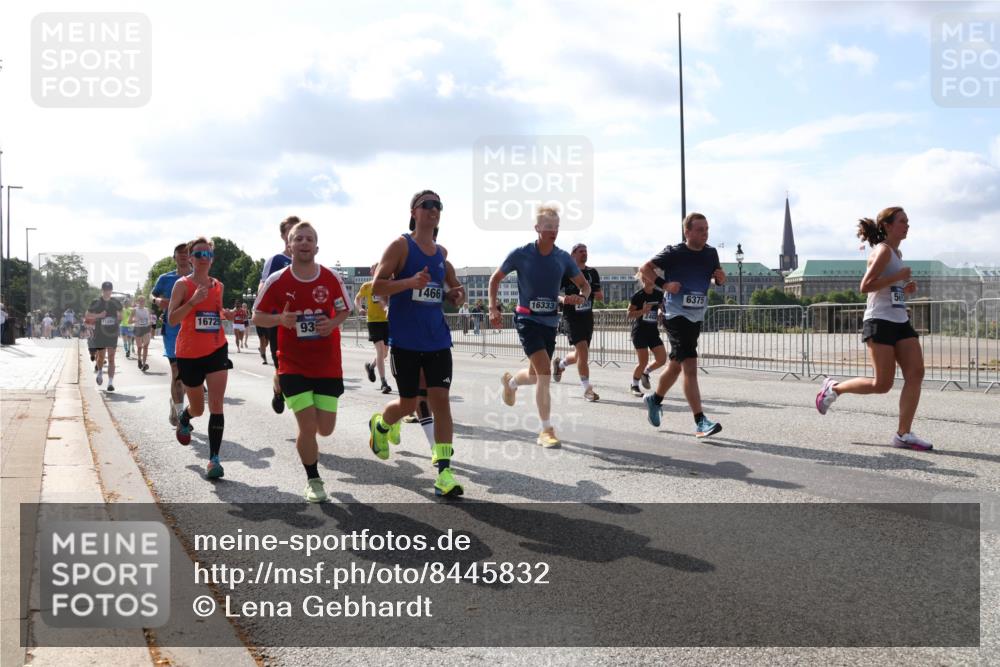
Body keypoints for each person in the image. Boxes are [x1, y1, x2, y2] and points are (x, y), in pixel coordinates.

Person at [368, 189, 465, 497]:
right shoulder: (401, 246)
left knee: (441, 403)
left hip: (437, 339)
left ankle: (444, 472)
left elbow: (453, 292)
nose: (433, 209)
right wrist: (410, 282)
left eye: (438, 205)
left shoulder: (441, 254)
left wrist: (455, 296)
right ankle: (381, 426)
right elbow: (376, 287)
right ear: (414, 212)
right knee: (409, 403)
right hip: (406, 341)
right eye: (427, 205)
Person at [815, 207, 932, 451]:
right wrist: (897, 276)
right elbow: (866, 286)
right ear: (888, 226)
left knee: (916, 373)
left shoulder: (897, 252)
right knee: (882, 384)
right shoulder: (882, 251)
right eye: (902, 221)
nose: (907, 225)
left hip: (900, 320)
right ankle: (834, 388)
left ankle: (903, 434)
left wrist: (903, 289)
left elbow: (887, 290)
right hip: (879, 321)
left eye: (908, 221)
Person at [253, 221, 352, 502]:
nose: (304, 243)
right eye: (299, 239)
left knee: (326, 429)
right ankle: (313, 479)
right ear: (290, 245)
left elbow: (345, 309)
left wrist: (331, 323)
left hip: (327, 364)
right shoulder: (277, 281)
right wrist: (280, 320)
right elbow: (256, 316)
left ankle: (313, 462)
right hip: (292, 363)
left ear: (317, 247)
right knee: (308, 427)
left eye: (309, 239)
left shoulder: (332, 278)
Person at [490, 205, 589, 448]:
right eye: (547, 227)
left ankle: (511, 383)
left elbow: (584, 286)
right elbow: (495, 279)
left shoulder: (563, 258)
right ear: (537, 228)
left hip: (550, 323)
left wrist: (581, 297)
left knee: (536, 376)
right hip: (526, 319)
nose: (552, 231)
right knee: (545, 371)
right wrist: (493, 307)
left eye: (556, 227)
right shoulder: (521, 254)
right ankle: (546, 430)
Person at [639, 212, 726, 438]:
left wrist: (720, 278)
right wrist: (664, 285)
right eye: (700, 230)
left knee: (676, 364)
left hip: (696, 315)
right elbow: (645, 268)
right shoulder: (674, 252)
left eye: (707, 229)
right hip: (676, 315)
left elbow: (717, 280)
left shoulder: (711, 253)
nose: (705, 233)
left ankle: (655, 399)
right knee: (690, 367)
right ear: (687, 232)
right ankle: (700, 421)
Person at [169, 237, 234, 478]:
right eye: (198, 254)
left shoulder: (218, 285)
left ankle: (214, 460)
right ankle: (185, 417)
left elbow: (215, 310)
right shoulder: (182, 285)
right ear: (190, 258)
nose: (202, 258)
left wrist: (224, 313)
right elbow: (172, 319)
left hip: (217, 349)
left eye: (207, 254)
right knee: (198, 407)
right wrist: (193, 302)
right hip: (189, 354)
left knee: (216, 405)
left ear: (212, 259)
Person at [552, 243, 603, 401]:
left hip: (587, 317)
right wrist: (564, 299)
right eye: (581, 251)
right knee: (583, 353)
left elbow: (599, 294)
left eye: (586, 251)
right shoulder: (566, 273)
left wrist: (595, 294)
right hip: (571, 317)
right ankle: (587, 390)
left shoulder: (592, 272)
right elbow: (552, 292)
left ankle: (560, 364)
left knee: (580, 354)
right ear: (572, 254)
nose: (584, 253)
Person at [259, 216, 298, 413]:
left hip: (300, 322)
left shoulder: (308, 261)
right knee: (281, 367)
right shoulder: (276, 260)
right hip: (278, 323)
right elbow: (263, 287)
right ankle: (278, 390)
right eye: (290, 231)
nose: (294, 235)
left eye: (297, 230)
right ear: (283, 235)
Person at [152, 242, 193, 426]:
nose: (183, 255)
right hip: (172, 331)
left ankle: (176, 402)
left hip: (194, 332)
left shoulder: (198, 277)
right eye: (180, 253)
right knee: (176, 371)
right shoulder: (165, 278)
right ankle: (180, 412)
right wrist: (159, 300)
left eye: (186, 253)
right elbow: (152, 296)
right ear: (174, 257)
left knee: (188, 376)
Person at [627, 271, 667, 396]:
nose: (653, 279)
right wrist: (643, 311)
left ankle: (646, 372)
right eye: (650, 277)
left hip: (653, 332)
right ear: (644, 279)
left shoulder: (659, 294)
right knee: (642, 361)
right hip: (640, 332)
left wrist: (661, 312)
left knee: (662, 359)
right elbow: (629, 314)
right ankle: (634, 385)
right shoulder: (638, 296)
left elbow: (662, 307)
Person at [355, 265, 392, 394]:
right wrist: (360, 308)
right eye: (376, 269)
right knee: (380, 350)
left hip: (387, 321)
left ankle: (371, 367)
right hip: (373, 321)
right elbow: (357, 298)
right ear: (372, 272)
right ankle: (384, 382)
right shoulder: (367, 286)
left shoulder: (388, 285)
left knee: (385, 353)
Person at [85, 282, 124, 391]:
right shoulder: (96, 302)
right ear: (102, 290)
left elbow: (121, 316)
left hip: (112, 333)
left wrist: (119, 316)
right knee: (101, 357)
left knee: (111, 358)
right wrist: (99, 315)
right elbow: (87, 315)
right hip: (100, 334)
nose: (107, 292)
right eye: (105, 290)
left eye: (109, 290)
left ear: (111, 290)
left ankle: (110, 383)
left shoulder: (116, 302)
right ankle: (100, 372)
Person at [132, 295, 152, 371]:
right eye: (140, 301)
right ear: (138, 302)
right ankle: (139, 360)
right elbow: (129, 321)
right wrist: (135, 320)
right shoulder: (135, 310)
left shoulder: (147, 310)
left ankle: (144, 364)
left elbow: (149, 320)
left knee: (146, 346)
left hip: (146, 329)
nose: (142, 302)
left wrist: (150, 322)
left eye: (143, 301)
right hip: (138, 329)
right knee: (139, 347)